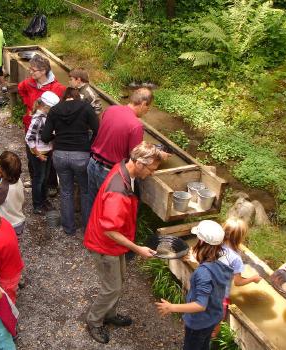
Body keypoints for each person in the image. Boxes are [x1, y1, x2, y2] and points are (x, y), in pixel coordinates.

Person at [84, 142, 163, 344]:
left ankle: (110, 314)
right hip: (104, 245)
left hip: (115, 244)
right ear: (138, 163)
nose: (152, 174)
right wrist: (138, 249)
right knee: (111, 288)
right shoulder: (117, 192)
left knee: (118, 282)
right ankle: (94, 321)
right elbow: (110, 230)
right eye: (152, 169)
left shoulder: (124, 169)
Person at [155, 220, 233, 350]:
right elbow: (214, 282)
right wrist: (196, 260)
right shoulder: (222, 261)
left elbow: (200, 305)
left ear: (201, 242)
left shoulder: (203, 273)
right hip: (212, 317)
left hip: (199, 323)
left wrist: (171, 307)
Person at [87, 88, 160, 213]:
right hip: (108, 171)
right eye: (148, 107)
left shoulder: (110, 110)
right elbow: (136, 156)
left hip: (92, 163)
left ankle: (87, 229)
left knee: (92, 203)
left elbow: (111, 134)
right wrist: (157, 154)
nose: (147, 111)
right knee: (107, 210)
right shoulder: (136, 125)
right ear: (143, 104)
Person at [42, 87, 99, 234]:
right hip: (81, 155)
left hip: (60, 155)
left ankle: (69, 228)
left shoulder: (54, 110)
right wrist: (90, 144)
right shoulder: (86, 107)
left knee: (66, 191)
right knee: (85, 191)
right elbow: (98, 129)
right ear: (76, 97)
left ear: (64, 97)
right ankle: (87, 228)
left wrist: (58, 136)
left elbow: (45, 136)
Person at [17, 54, 65, 192]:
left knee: (48, 155)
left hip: (47, 130)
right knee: (31, 154)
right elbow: (21, 89)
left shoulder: (57, 88)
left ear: (43, 71)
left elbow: (61, 109)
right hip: (30, 126)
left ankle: (51, 185)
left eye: (33, 70)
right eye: (30, 69)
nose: (30, 72)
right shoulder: (29, 82)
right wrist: (28, 104)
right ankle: (35, 180)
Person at [25, 91, 60, 214]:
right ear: (45, 107)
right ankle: (37, 204)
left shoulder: (46, 116)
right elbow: (29, 138)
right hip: (39, 154)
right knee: (38, 179)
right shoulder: (38, 119)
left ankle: (44, 200)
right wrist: (39, 155)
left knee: (45, 177)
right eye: (51, 109)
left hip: (47, 151)